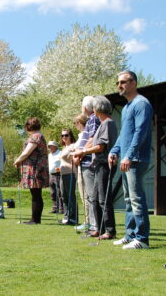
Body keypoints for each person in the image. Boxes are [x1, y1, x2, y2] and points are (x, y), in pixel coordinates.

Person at [108, 70, 153, 249]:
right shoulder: (127, 107)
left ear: (134, 83)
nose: (120, 85)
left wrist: (129, 155)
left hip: (136, 159)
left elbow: (140, 132)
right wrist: (115, 150)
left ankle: (142, 239)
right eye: (118, 82)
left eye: (124, 82)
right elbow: (123, 135)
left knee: (136, 199)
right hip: (126, 158)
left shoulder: (141, 104)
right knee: (128, 199)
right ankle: (130, 234)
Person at [74, 96, 118, 239]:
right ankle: (99, 228)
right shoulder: (103, 123)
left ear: (97, 108)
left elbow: (101, 146)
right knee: (95, 197)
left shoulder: (108, 123)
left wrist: (83, 151)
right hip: (98, 164)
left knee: (104, 198)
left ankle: (110, 231)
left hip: (105, 163)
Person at [14, 117, 49, 225]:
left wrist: (17, 161)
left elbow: (26, 152)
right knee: (36, 194)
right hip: (38, 167)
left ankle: (35, 220)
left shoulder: (35, 137)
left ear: (29, 126)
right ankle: (35, 219)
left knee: (36, 194)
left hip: (35, 169)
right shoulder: (40, 136)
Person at [76, 96, 101, 233]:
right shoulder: (92, 119)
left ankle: (94, 226)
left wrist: (81, 152)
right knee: (89, 196)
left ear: (85, 107)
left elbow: (93, 139)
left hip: (89, 161)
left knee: (91, 196)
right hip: (85, 160)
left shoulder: (92, 119)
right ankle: (93, 225)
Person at [73, 113, 89, 231]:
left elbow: (82, 150)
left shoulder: (85, 134)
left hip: (84, 166)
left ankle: (88, 222)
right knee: (83, 196)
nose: (75, 126)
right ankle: (88, 221)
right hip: (80, 167)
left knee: (85, 196)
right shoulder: (81, 135)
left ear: (80, 123)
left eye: (76, 123)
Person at [59, 128, 77, 225]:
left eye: (66, 135)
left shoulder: (73, 146)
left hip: (70, 174)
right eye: (62, 135)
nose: (64, 137)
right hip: (62, 174)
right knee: (63, 196)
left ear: (70, 136)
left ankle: (74, 217)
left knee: (71, 196)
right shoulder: (64, 147)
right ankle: (66, 216)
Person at [47, 141, 63, 214]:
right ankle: (55, 208)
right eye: (49, 146)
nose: (49, 148)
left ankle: (61, 208)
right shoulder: (49, 155)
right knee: (53, 192)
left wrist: (59, 169)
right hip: (51, 175)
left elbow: (63, 163)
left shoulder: (60, 153)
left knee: (60, 192)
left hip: (58, 174)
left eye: (51, 146)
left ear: (56, 146)